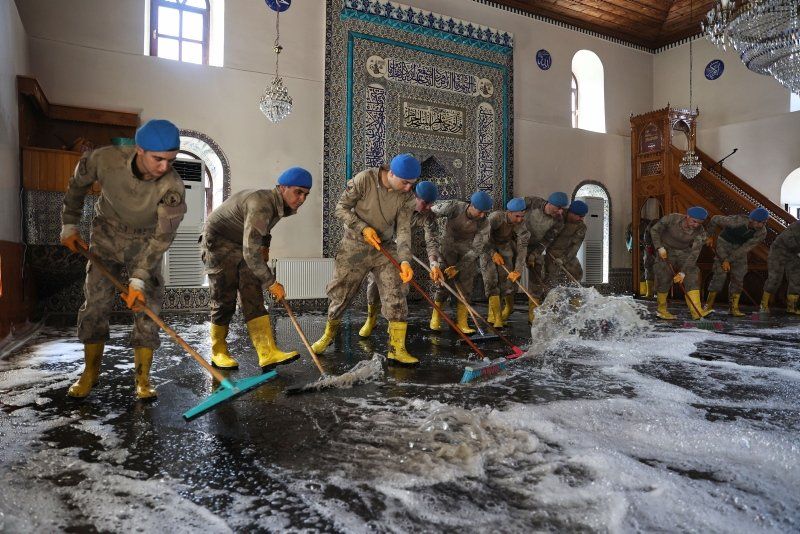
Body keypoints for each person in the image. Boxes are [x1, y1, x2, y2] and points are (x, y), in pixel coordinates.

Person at [60, 119, 186, 399]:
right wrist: (69, 224)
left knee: (147, 307)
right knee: (95, 304)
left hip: (146, 241)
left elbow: (162, 238)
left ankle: (142, 379)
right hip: (106, 234)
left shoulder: (173, 187)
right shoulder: (104, 159)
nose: (165, 167)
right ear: (139, 149)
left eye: (171, 160)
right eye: (158, 159)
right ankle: (90, 373)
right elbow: (77, 185)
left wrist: (139, 279)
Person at [311, 154, 419, 365]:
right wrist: (363, 228)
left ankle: (397, 348)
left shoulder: (407, 197)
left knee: (396, 292)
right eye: (405, 182)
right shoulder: (365, 179)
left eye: (412, 184)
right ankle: (328, 336)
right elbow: (340, 208)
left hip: (384, 247)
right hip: (355, 244)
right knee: (341, 292)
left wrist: (405, 261)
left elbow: (404, 231)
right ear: (392, 173)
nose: (408, 188)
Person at [201, 167, 312, 371]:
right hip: (219, 242)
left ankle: (267, 352)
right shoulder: (262, 204)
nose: (302, 199)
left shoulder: (279, 205)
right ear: (282, 188)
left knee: (252, 293)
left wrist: (266, 247)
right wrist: (272, 282)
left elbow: (264, 229)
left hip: (243, 242)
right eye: (298, 192)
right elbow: (251, 252)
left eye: (306, 194)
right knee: (224, 298)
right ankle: (218, 351)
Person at [358, 180, 442, 338]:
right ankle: (371, 319)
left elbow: (432, 240)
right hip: (382, 246)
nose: (428, 207)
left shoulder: (428, 215)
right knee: (374, 285)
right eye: (425, 203)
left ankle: (394, 323)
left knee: (401, 287)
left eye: (431, 204)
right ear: (414, 196)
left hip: (403, 252)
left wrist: (434, 264)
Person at [429, 191, 493, 333]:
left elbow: (477, 249)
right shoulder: (454, 207)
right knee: (443, 284)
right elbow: (431, 212)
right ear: (471, 205)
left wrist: (458, 267)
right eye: (480, 211)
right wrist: (431, 230)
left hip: (467, 254)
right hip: (447, 249)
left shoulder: (484, 223)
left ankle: (462, 322)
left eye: (485, 212)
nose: (482, 215)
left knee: (466, 287)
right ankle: (436, 317)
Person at [650, 206, 711, 320]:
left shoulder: (700, 231)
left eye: (699, 223)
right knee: (663, 275)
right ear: (687, 216)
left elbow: (694, 254)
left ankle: (696, 312)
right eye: (694, 221)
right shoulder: (672, 218)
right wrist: (659, 247)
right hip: (665, 249)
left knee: (692, 274)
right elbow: (654, 229)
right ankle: (662, 310)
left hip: (684, 251)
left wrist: (683, 272)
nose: (696, 225)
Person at [704, 208, 768, 316]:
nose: (761, 225)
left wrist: (728, 260)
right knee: (720, 275)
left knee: (739, 276)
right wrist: (710, 235)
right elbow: (715, 219)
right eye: (759, 222)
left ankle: (733, 308)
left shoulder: (762, 232)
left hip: (739, 249)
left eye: (764, 222)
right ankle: (708, 306)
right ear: (752, 220)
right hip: (724, 243)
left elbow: (745, 248)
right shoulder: (737, 221)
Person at [480, 197, 529, 328]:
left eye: (522, 216)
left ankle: (505, 311)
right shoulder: (495, 218)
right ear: (509, 212)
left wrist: (518, 270)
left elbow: (522, 248)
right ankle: (496, 318)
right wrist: (492, 253)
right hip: (487, 248)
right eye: (517, 216)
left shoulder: (521, 224)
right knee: (491, 281)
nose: (520, 220)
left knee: (507, 283)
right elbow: (481, 238)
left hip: (505, 247)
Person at [523, 192, 568, 322]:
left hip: (534, 246)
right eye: (558, 208)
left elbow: (546, 240)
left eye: (562, 209)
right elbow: (513, 211)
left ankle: (533, 313)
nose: (560, 212)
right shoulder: (532, 201)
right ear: (550, 203)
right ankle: (502, 312)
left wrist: (535, 254)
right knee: (511, 272)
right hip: (516, 241)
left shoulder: (559, 220)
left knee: (537, 272)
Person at [761, 220, 800, 315]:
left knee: (796, 278)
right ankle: (763, 305)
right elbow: (788, 240)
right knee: (775, 278)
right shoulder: (796, 226)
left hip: (794, 254)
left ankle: (792, 307)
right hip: (778, 251)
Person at [545, 199, 588, 286]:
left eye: (583, 216)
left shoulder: (581, 226)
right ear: (571, 213)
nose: (581, 219)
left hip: (567, 253)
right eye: (580, 216)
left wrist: (563, 259)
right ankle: (550, 297)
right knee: (551, 276)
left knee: (577, 272)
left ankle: (574, 297)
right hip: (550, 252)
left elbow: (575, 246)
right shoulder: (558, 216)